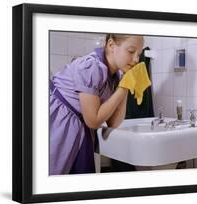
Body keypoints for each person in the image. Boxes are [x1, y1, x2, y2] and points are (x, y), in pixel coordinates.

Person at [49, 34, 144, 175]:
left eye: (138, 54)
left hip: (80, 127)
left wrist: (125, 86)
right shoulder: (91, 66)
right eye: (131, 52)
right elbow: (93, 120)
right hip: (59, 121)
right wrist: (123, 87)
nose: (136, 59)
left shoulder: (116, 75)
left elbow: (113, 122)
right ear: (111, 45)